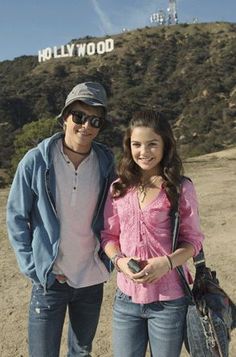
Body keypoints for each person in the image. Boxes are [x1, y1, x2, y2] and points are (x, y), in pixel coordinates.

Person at [6, 81, 116, 357]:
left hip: (91, 279)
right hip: (50, 280)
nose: (85, 125)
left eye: (95, 120)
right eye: (79, 116)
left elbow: (116, 214)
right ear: (65, 117)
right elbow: (17, 217)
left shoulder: (105, 163)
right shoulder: (36, 162)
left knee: (81, 353)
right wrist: (34, 267)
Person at [100, 110, 204, 357]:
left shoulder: (180, 187)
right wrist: (120, 261)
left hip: (170, 300)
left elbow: (194, 241)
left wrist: (166, 263)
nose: (144, 152)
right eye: (136, 144)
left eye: (152, 144)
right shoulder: (118, 188)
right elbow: (108, 236)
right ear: (129, 146)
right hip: (126, 299)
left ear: (165, 145)